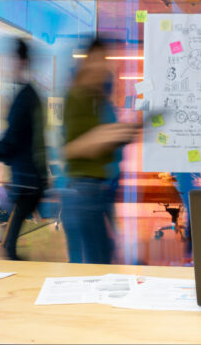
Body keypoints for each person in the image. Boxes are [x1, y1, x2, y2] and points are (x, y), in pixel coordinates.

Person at [62, 39, 140, 264]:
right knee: (90, 270)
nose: (103, 66)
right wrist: (108, 135)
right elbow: (72, 148)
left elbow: (104, 142)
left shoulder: (100, 100)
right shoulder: (76, 97)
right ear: (87, 62)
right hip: (83, 192)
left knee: (103, 263)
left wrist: (122, 134)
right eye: (98, 59)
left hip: (102, 190)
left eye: (105, 60)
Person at [0, 38, 47, 260]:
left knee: (9, 246)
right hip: (30, 179)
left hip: (26, 181)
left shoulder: (24, 99)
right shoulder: (30, 95)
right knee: (9, 244)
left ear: (20, 61)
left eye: (9, 59)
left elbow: (11, 144)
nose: (5, 65)